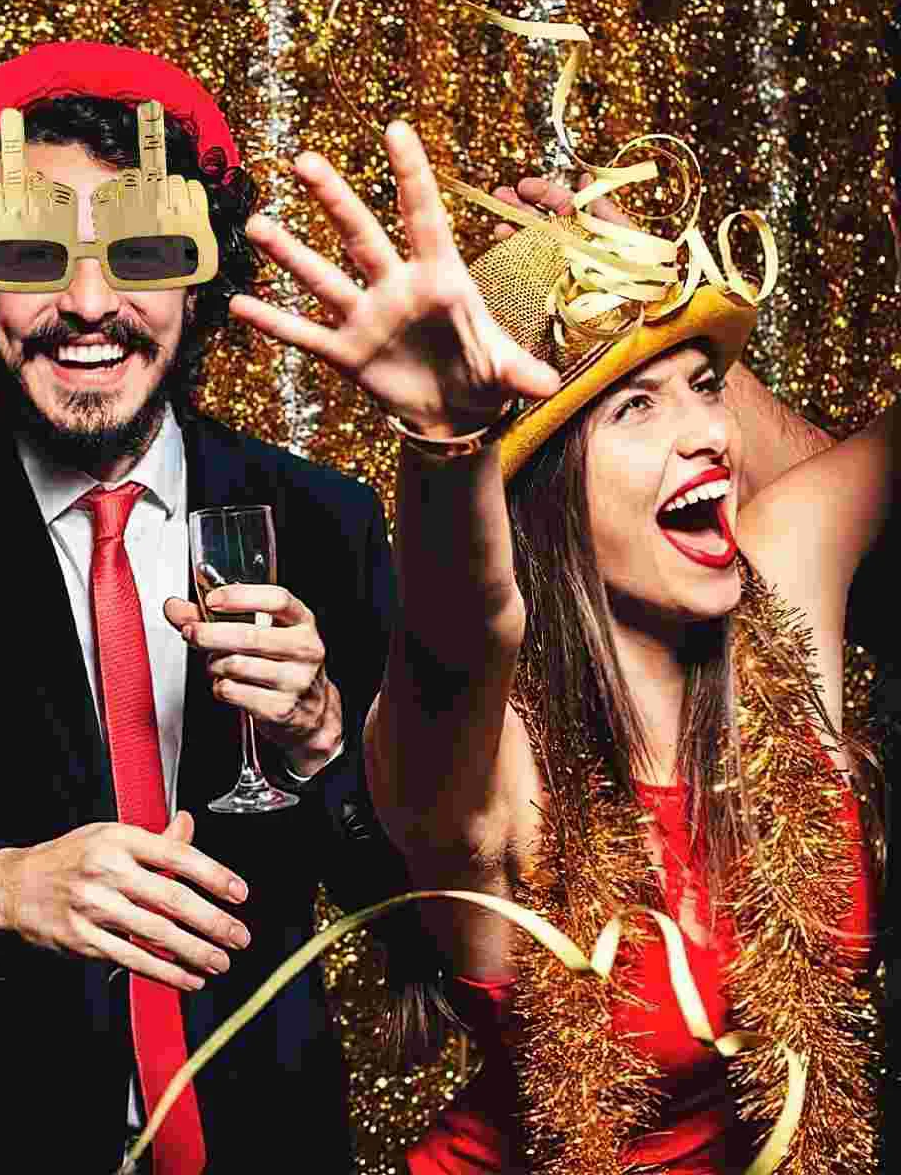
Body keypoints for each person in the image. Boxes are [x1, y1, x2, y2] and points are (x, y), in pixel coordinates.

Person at [233, 121, 883, 1172]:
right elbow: (460, 632)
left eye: (705, 387)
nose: (707, 435)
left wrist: (664, 306)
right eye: (633, 407)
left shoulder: (780, 596)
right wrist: (447, 442)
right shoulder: (490, 776)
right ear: (542, 496)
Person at [0, 43, 398, 1173]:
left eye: (137, 251)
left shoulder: (323, 518)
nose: (88, 305)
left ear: (198, 277)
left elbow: (422, 903)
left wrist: (325, 739)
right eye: (32, 255)